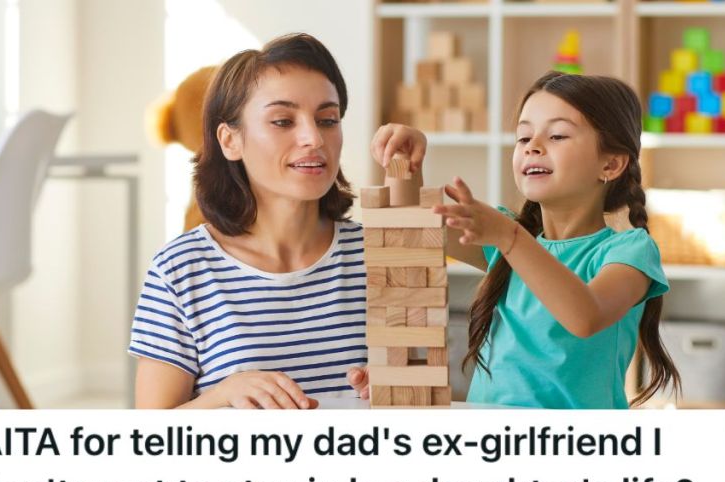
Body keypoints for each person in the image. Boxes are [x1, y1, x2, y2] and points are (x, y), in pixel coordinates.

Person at [130, 33, 423, 409]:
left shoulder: (372, 255)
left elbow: (419, 379)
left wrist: (394, 386)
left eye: (328, 119)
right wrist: (224, 395)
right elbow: (147, 438)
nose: (313, 138)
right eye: (283, 121)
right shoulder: (180, 269)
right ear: (230, 140)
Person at [359, 71, 681, 408]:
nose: (534, 147)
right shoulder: (507, 235)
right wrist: (405, 166)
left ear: (611, 164)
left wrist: (508, 238)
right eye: (524, 137)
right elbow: (410, 230)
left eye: (557, 135)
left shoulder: (630, 251)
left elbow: (586, 316)